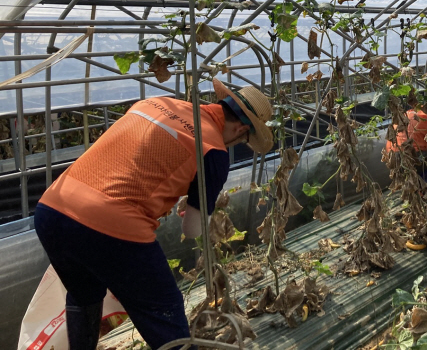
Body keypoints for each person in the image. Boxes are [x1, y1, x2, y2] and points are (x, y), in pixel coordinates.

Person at [33, 79, 273, 350]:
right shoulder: (213, 149)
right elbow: (192, 229)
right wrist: (197, 208)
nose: (236, 143)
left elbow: (137, 161)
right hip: (111, 226)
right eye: (242, 139)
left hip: (52, 210)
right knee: (164, 313)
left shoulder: (155, 103)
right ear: (240, 128)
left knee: (83, 295)